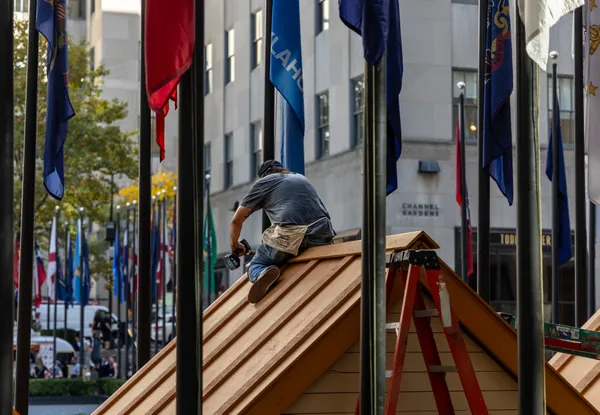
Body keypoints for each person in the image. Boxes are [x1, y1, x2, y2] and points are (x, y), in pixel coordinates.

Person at [229, 160, 336, 304]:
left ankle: (262, 273)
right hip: (323, 234)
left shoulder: (264, 183)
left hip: (293, 236)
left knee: (256, 264)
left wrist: (235, 243)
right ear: (282, 169)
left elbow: (236, 221)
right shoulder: (300, 177)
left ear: (264, 176)